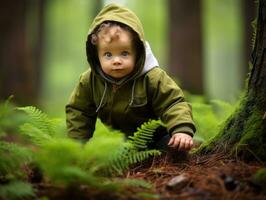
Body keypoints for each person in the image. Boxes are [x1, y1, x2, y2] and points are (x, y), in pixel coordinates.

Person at [65, 3, 196, 152]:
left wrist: (181, 130)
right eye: (108, 54)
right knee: (105, 154)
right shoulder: (90, 81)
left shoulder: (152, 77)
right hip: (120, 140)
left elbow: (173, 103)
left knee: (173, 150)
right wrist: (76, 147)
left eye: (124, 53)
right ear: (96, 55)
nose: (116, 60)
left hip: (155, 136)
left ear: (138, 53)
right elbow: (79, 111)